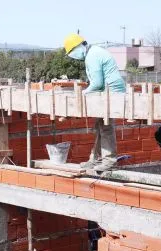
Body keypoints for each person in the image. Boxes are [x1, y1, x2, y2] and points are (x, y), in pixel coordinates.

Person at [64, 33, 126, 171]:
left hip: (112, 92)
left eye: (71, 53)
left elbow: (97, 83)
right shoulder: (92, 53)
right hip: (108, 92)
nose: (73, 56)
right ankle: (95, 158)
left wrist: (83, 93)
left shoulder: (92, 56)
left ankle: (109, 161)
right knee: (100, 125)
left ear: (78, 47)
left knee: (106, 125)